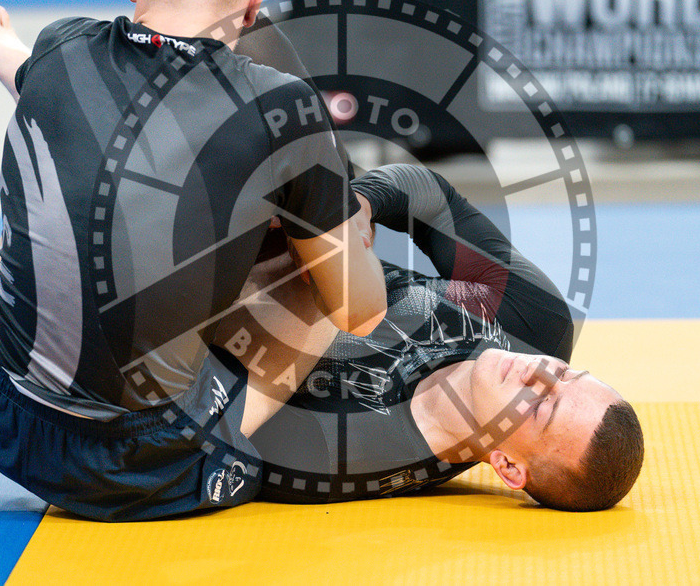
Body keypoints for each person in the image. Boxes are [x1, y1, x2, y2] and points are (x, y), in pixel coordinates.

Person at [0, 0, 386, 521]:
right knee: (313, 272)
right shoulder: (285, 108)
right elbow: (360, 312)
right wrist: (344, 222)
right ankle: (216, 427)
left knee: (48, 206)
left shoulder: (61, 44)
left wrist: (1, 50)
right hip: (152, 468)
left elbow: (56, 91)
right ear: (253, 3)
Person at [223, 164, 644, 512]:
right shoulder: (537, 323)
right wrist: (357, 208)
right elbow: (435, 201)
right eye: (565, 374)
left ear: (508, 467)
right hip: (286, 199)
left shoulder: (335, 454)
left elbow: (210, 412)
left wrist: (321, 251)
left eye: (539, 407)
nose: (538, 371)